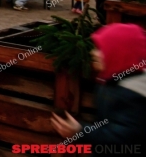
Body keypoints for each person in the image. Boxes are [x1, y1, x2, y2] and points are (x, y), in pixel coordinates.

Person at [51, 23, 146, 151]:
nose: (93, 53)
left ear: (118, 54)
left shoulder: (133, 95)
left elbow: (123, 139)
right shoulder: (110, 80)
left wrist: (81, 131)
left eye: (100, 49)